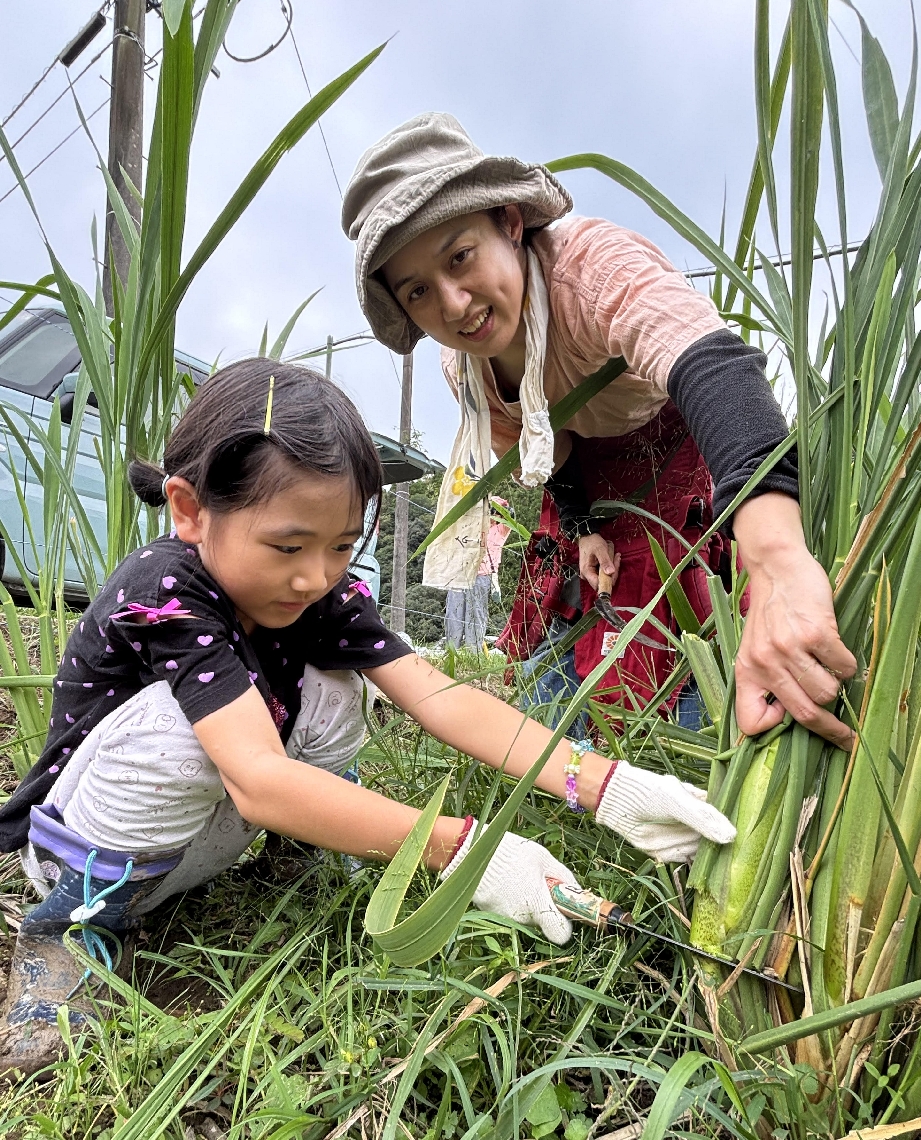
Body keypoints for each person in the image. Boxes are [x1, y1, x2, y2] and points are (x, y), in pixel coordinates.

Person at [0, 359, 735, 1077]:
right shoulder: (164, 590)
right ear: (190, 511)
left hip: (197, 838)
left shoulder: (317, 595)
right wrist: (462, 850)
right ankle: (69, 929)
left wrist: (604, 784)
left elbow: (436, 695)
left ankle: (301, 856)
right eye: (288, 546)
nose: (315, 576)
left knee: (335, 685)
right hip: (93, 848)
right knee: (180, 733)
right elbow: (256, 778)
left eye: (342, 546)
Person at [341, 113, 858, 747]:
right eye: (419, 290)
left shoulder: (590, 269)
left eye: (461, 256)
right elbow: (549, 452)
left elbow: (713, 367)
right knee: (572, 631)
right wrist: (582, 526)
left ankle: (698, 743)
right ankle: (565, 760)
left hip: (679, 449)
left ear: (510, 222)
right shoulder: (465, 370)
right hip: (589, 474)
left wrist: (777, 562)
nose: (454, 304)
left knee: (677, 622)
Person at [444, 496, 511, 649]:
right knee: (454, 612)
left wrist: (497, 508)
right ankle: (451, 650)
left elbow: (509, 515)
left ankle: (473, 652)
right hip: (459, 573)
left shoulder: (500, 529)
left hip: (482, 575)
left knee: (475, 614)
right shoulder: (470, 524)